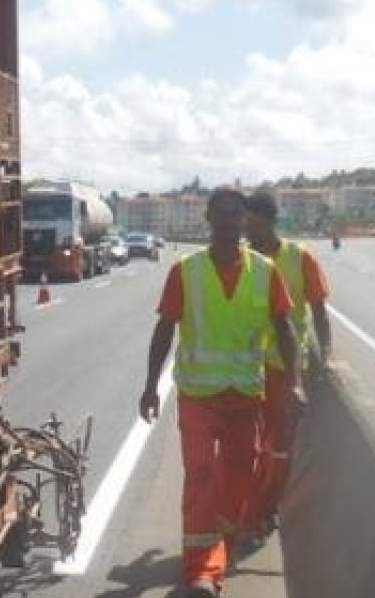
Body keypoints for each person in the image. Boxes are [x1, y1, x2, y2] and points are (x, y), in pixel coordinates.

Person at [139, 188, 303, 598]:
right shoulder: (186, 270)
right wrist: (150, 386)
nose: (229, 221)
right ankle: (202, 570)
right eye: (222, 213)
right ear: (208, 218)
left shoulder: (265, 271)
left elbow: (285, 329)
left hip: (245, 394)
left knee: (238, 479)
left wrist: (295, 382)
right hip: (198, 394)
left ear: (245, 219)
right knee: (200, 475)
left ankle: (218, 552)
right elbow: (164, 328)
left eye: (236, 214)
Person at [242, 192, 332, 538]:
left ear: (269, 221)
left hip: (286, 368)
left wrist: (327, 355)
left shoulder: (300, 257)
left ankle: (266, 509)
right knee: (250, 445)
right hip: (248, 368)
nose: (247, 230)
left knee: (279, 447)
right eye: (245, 224)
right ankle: (252, 510)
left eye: (253, 223)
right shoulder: (242, 259)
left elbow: (319, 310)